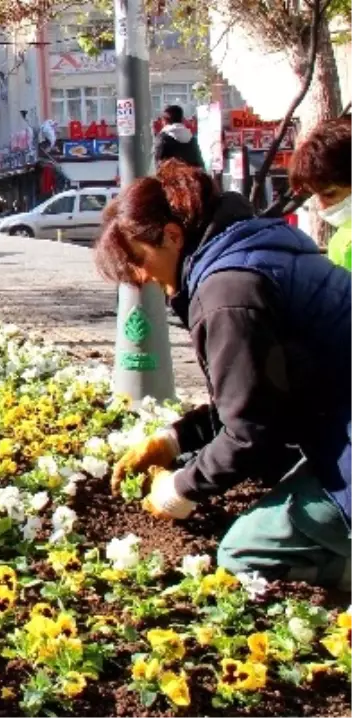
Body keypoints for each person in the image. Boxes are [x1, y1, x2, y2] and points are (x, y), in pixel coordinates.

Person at [99, 159, 352, 589]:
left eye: (140, 261)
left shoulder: (227, 292)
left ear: (173, 236)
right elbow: (256, 390)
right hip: (338, 418)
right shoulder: (257, 242)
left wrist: (180, 489)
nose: (142, 278)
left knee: (242, 553)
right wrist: (174, 439)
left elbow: (250, 431)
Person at [287, 115, 352, 271]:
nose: (323, 206)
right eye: (316, 195)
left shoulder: (345, 245)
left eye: (330, 194)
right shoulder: (341, 242)